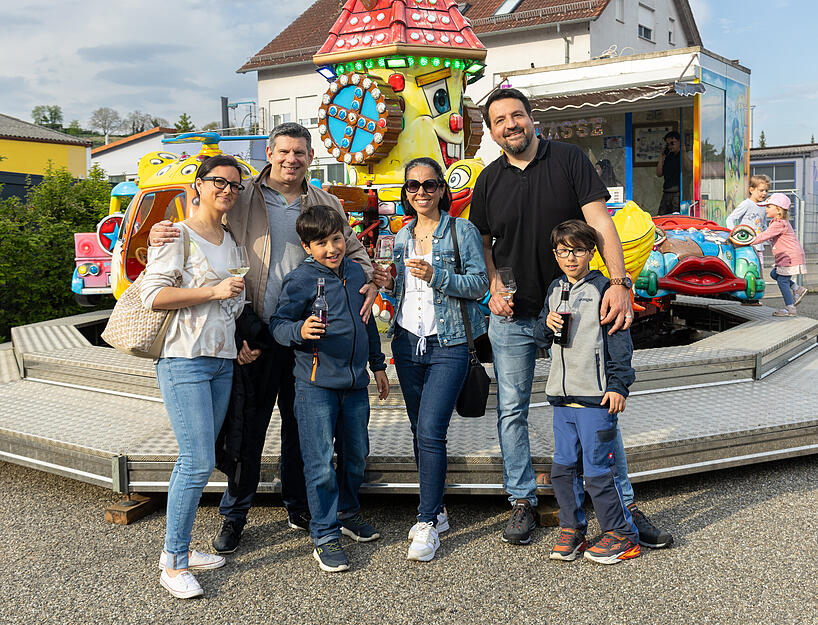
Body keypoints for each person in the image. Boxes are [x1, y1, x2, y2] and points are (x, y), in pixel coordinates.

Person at [149, 122, 377, 554]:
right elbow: (205, 220)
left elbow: (354, 250)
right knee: (248, 429)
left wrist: (367, 280)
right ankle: (235, 515)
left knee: (300, 428)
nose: (292, 160)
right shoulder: (243, 195)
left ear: (311, 157)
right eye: (284, 151)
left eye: (301, 153)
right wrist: (169, 228)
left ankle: (298, 505)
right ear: (269, 153)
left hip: (307, 335)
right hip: (255, 328)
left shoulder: (325, 201)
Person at [470, 87, 671, 549]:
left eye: (516, 116)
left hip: (577, 309)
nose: (510, 125)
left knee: (599, 405)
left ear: (530, 117)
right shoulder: (488, 179)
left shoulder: (568, 159)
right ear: (492, 130)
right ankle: (522, 500)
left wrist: (619, 284)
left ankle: (621, 505)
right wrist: (492, 288)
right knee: (512, 411)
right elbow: (483, 242)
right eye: (499, 120)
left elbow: (601, 224)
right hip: (516, 316)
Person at [139, 155, 250, 598]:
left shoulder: (229, 238)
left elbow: (230, 303)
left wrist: (236, 334)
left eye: (234, 185)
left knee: (203, 457)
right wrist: (214, 290)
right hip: (183, 358)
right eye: (218, 182)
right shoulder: (175, 235)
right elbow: (152, 295)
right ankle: (173, 561)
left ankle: (182, 548)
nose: (227, 190)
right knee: (196, 459)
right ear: (199, 186)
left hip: (222, 360)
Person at [372, 157, 489, 562]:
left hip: (450, 343)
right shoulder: (400, 236)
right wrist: (389, 284)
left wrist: (436, 276)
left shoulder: (462, 230)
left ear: (442, 189)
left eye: (429, 184)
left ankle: (425, 520)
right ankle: (436, 510)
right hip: (406, 343)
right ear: (405, 193)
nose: (421, 192)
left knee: (431, 430)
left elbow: (479, 285)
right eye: (413, 186)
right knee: (417, 429)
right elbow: (398, 293)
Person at [270, 204, 389, 572]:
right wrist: (299, 331)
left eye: (336, 239)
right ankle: (324, 533)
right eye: (321, 243)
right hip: (315, 386)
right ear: (307, 247)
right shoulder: (300, 280)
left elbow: (367, 323)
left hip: (355, 384)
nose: (331, 249)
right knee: (320, 462)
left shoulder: (356, 273)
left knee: (355, 455)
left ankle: (347, 513)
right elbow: (278, 323)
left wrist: (378, 365)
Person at [534, 220, 640, 565]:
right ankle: (572, 528)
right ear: (555, 254)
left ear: (591, 253)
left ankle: (622, 535)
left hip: (595, 398)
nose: (570, 257)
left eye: (578, 250)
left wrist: (618, 385)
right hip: (562, 398)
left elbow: (620, 340)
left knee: (597, 471)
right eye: (563, 251)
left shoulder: (603, 289)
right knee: (563, 469)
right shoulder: (554, 288)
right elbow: (539, 337)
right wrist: (545, 326)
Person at [750, 193, 808, 317]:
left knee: (782, 281)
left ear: (778, 210)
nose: (765, 209)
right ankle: (797, 289)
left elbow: (764, 236)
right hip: (788, 256)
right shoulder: (779, 222)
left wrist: (748, 241)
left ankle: (790, 308)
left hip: (789, 257)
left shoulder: (779, 224)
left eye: (768, 206)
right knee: (774, 274)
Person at [726, 174, 771, 271]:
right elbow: (730, 218)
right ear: (751, 190)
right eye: (761, 190)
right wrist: (734, 236)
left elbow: (763, 225)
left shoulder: (763, 206)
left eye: (766, 191)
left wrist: (770, 239)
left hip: (759, 246)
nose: (764, 193)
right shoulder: (746, 204)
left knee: (760, 270)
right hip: (746, 246)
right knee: (747, 270)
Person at [655, 130, 690, 215]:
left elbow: (689, 167)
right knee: (661, 217)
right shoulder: (669, 157)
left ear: (679, 142)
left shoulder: (684, 155)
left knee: (676, 217)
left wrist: (683, 150)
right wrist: (661, 157)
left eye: (672, 143)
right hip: (667, 192)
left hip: (678, 193)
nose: (670, 146)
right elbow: (659, 173)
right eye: (668, 144)